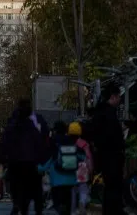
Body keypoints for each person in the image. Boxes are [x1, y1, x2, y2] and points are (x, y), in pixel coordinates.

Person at [1, 98, 49, 215]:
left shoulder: (11, 127)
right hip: (31, 164)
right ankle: (36, 208)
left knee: (17, 189)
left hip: (16, 164)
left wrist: (4, 160)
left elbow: (4, 144)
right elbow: (41, 143)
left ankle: (18, 205)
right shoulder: (34, 126)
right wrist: (42, 161)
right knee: (35, 190)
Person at [90, 83, 125, 215]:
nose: (120, 100)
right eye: (119, 97)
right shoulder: (109, 114)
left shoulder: (99, 113)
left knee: (109, 187)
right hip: (112, 157)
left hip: (103, 157)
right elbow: (113, 137)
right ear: (113, 97)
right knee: (114, 187)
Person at [39, 121, 86, 215]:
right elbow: (82, 157)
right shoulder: (72, 142)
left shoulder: (52, 143)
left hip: (56, 182)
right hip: (71, 181)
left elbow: (46, 161)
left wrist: (39, 168)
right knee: (68, 207)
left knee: (58, 206)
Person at [68, 121, 94, 213]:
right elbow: (88, 157)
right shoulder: (83, 143)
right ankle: (82, 202)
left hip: (70, 166)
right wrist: (90, 169)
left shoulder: (67, 141)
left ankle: (72, 210)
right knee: (83, 187)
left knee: (72, 189)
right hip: (81, 167)